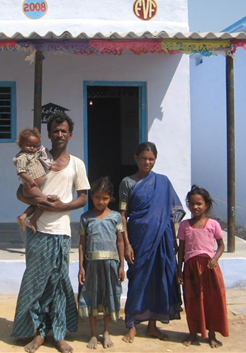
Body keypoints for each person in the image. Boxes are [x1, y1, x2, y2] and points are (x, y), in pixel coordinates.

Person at [11, 112, 90, 353]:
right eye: (55, 131)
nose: (59, 135)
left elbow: (83, 198)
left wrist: (61, 206)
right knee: (36, 283)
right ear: (49, 134)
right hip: (38, 230)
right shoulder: (36, 160)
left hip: (61, 232)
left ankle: (58, 333)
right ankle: (38, 332)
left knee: (58, 283)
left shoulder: (77, 164)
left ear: (70, 135)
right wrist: (40, 201)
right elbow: (20, 192)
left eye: (63, 131)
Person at [120, 142, 185, 343]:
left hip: (162, 239)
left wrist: (171, 236)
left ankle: (152, 326)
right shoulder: (127, 183)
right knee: (137, 280)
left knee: (158, 281)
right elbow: (123, 216)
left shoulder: (163, 182)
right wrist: (127, 244)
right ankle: (131, 324)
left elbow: (174, 210)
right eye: (144, 158)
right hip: (139, 238)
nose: (147, 162)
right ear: (136, 158)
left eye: (151, 159)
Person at [177, 185, 229, 348]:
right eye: (192, 204)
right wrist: (179, 270)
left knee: (211, 300)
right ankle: (193, 333)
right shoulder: (185, 225)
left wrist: (214, 259)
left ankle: (211, 334)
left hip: (209, 269)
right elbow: (181, 250)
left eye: (199, 203)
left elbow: (221, 245)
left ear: (206, 205)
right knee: (192, 301)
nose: (195, 207)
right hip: (191, 269)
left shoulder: (213, 224)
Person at [77, 177, 125, 349]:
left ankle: (106, 332)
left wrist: (121, 266)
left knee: (108, 297)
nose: (100, 201)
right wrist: (81, 266)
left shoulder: (116, 217)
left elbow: (120, 242)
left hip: (111, 265)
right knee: (91, 297)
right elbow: (82, 244)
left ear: (110, 198)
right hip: (91, 265)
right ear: (92, 197)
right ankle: (92, 333)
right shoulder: (86, 218)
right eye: (97, 197)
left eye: (104, 198)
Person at [13, 127, 57, 231]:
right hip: (30, 187)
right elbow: (21, 171)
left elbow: (42, 152)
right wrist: (30, 180)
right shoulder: (22, 157)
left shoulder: (34, 154)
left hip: (34, 187)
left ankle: (23, 216)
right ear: (21, 145)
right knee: (45, 202)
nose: (32, 148)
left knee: (37, 204)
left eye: (34, 146)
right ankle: (32, 221)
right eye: (29, 145)